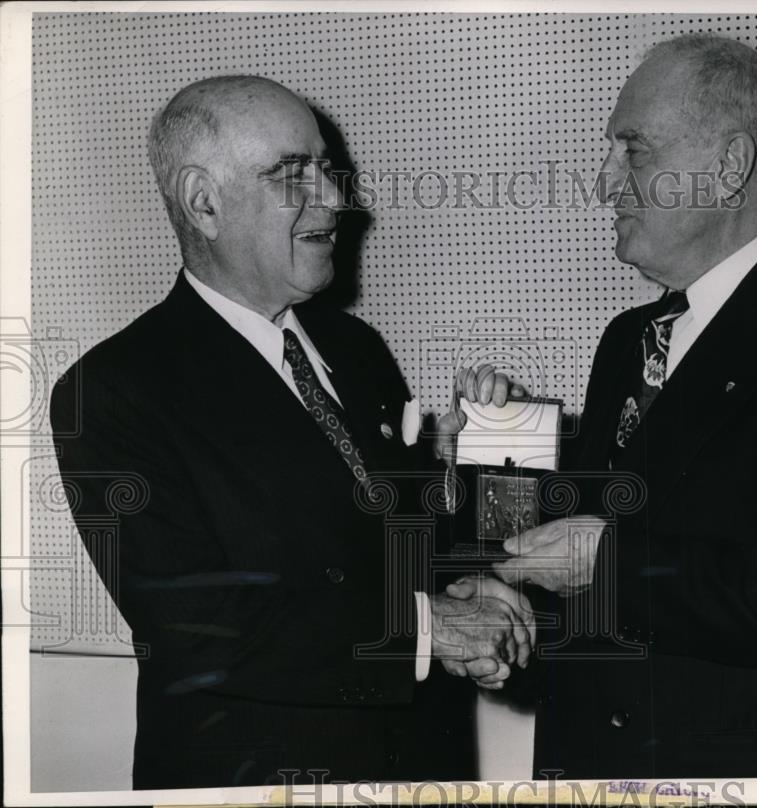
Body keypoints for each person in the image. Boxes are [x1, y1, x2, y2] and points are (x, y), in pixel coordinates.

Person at [462, 33, 757, 778]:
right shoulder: (628, 341)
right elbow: (607, 560)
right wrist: (499, 468)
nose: (605, 180)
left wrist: (609, 564)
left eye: (634, 150)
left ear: (730, 167)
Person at [49, 75, 531, 790]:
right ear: (203, 202)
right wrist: (432, 633)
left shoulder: (356, 349)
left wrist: (492, 464)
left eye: (326, 171)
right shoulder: (114, 390)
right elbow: (200, 626)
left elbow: (417, 552)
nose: (336, 200)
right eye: (291, 174)